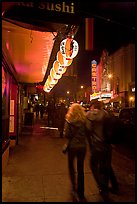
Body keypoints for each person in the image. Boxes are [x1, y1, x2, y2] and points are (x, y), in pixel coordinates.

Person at [86, 99, 119, 202]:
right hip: (107, 145)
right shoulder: (106, 114)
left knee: (93, 165)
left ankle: (103, 188)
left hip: (97, 145)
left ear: (92, 106)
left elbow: (88, 130)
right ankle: (114, 186)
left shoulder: (89, 115)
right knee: (106, 166)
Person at [63, 103, 88, 202]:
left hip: (72, 147)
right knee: (80, 168)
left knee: (71, 166)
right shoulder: (84, 121)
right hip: (82, 147)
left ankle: (74, 186)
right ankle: (81, 191)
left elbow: (67, 135)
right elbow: (88, 132)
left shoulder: (69, 121)